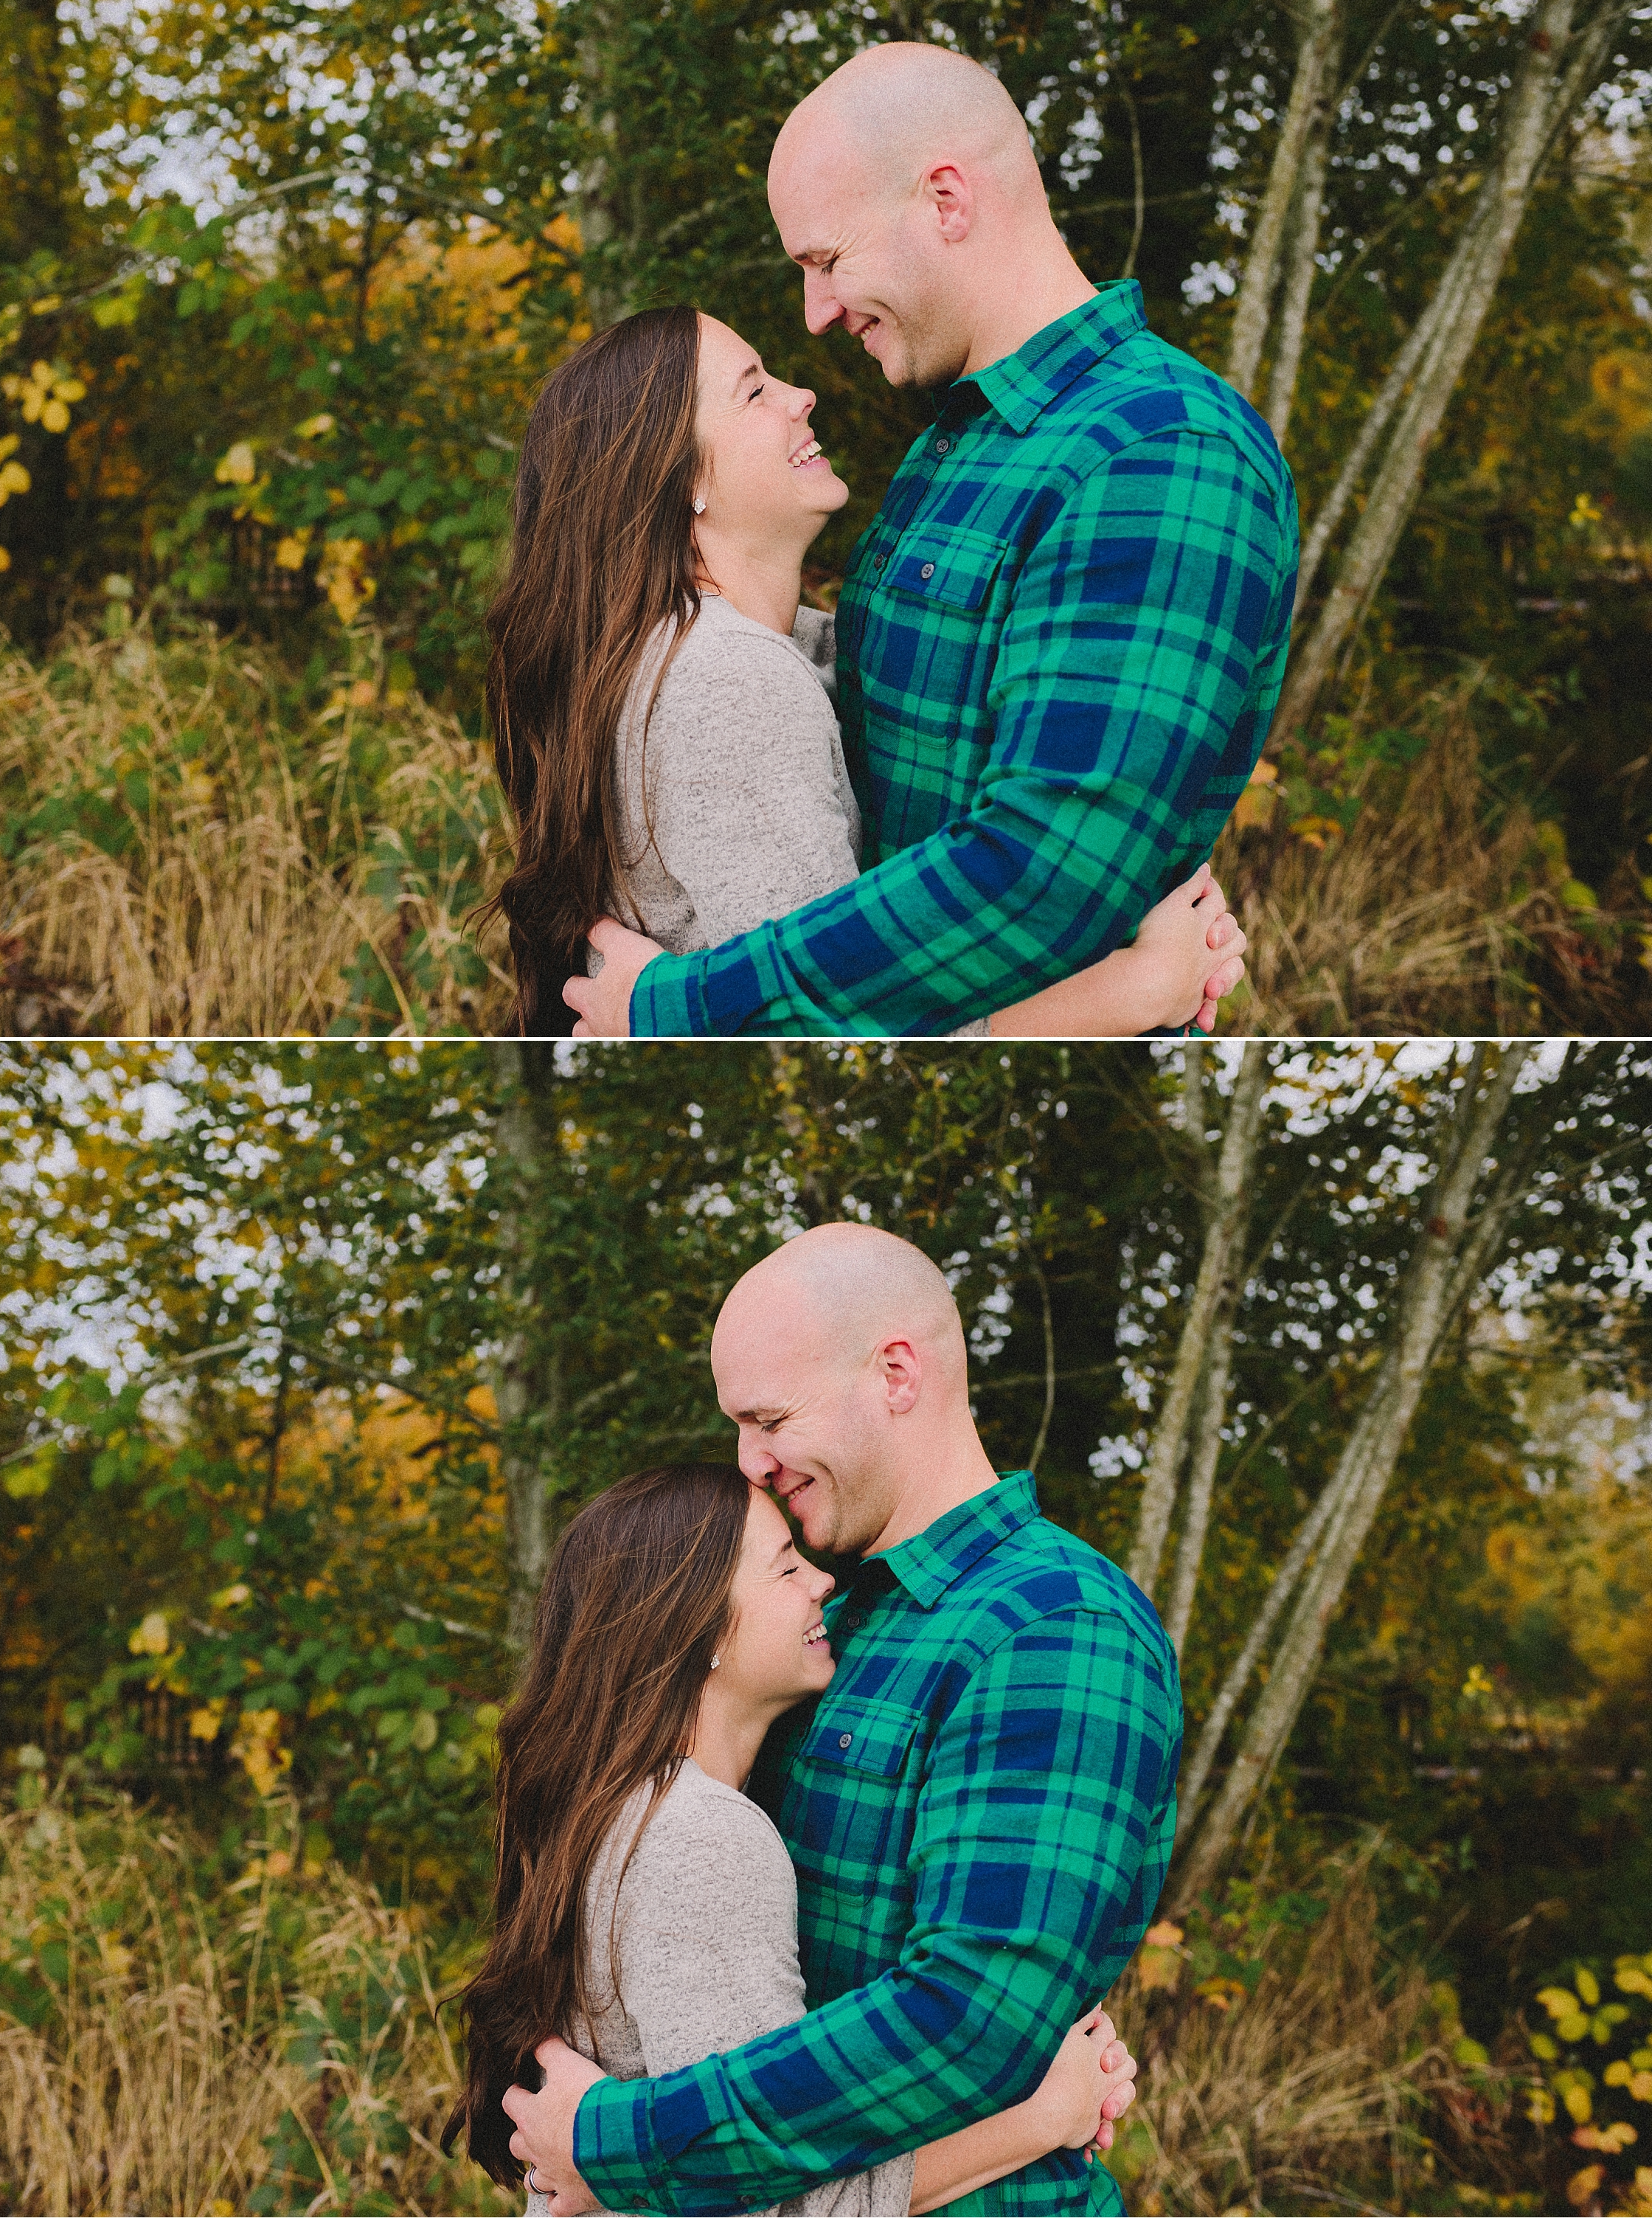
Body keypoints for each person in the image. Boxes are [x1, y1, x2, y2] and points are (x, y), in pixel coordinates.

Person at [560, 40, 1298, 1037]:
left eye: (826, 260)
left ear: (946, 202)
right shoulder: (958, 445)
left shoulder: (1163, 449)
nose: (816, 315)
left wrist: (679, 1008)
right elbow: (841, 732)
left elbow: (1040, 873)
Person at [503, 1224, 1184, 2218]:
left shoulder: (1052, 1624)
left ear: (896, 1375)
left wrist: (615, 2141)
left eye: (769, 1417)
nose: (749, 1458)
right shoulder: (829, 1622)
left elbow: (971, 2015)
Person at [485, 306, 1249, 1038]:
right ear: (685, 483)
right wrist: (1139, 989)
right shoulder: (726, 679)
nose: (800, 395)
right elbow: (830, 1021)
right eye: (755, 391)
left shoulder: (741, 650)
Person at [444, 1465, 1139, 2216]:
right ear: (698, 1628)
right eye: (784, 1567)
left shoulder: (627, 1807)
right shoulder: (701, 1838)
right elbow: (761, 2205)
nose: (823, 1583)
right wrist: (1045, 2115)